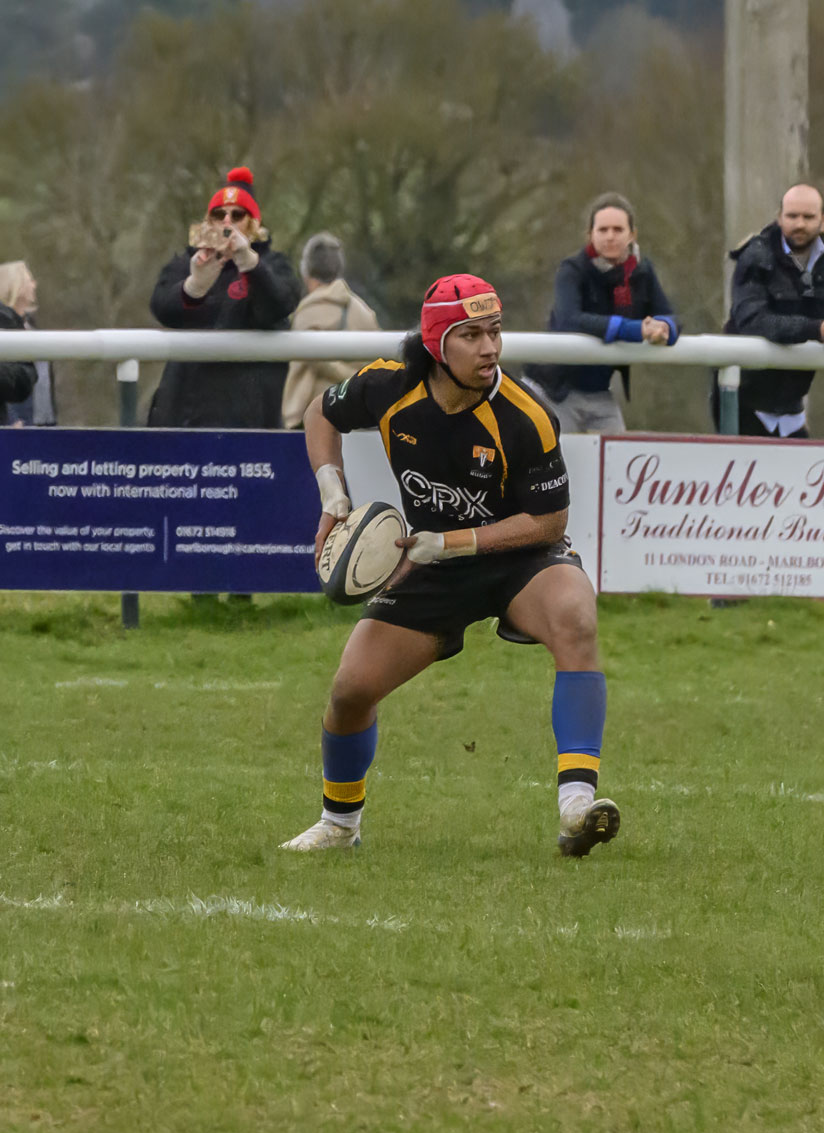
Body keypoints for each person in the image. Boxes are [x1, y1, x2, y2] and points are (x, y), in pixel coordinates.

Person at [283, 274, 621, 859]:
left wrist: (452, 542)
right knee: (350, 690)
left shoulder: (526, 414)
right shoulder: (389, 385)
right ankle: (339, 824)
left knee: (576, 616)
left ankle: (576, 806)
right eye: (471, 335)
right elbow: (320, 412)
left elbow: (549, 523)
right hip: (432, 562)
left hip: (520, 557)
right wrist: (332, 494)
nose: (490, 348)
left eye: (495, 332)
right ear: (437, 343)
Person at [146, 167, 302, 428]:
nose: (227, 223)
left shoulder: (273, 264)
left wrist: (250, 265)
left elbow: (279, 303)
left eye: (237, 215)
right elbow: (161, 307)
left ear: (253, 224)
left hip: (247, 418)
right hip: (183, 413)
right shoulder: (188, 262)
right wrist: (194, 287)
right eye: (219, 215)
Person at [715, 183, 824, 438]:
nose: (799, 224)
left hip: (791, 406)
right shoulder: (755, 256)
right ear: (779, 218)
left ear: (823, 221)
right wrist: (817, 330)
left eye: (808, 217)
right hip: (742, 397)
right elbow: (753, 321)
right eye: (792, 216)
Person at [536, 192, 679, 434]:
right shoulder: (572, 270)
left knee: (619, 455)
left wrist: (663, 329)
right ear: (590, 235)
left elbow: (669, 315)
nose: (610, 236)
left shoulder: (643, 272)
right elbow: (570, 320)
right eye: (602, 230)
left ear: (632, 235)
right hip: (554, 390)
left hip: (600, 393)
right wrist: (634, 330)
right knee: (557, 457)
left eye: (618, 229)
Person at [282, 233, 381, 429]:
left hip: (314, 418)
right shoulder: (364, 311)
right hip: (360, 416)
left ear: (305, 270)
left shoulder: (308, 311)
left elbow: (312, 359)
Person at [0, 262, 55, 426]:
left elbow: (35, 377)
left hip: (41, 420)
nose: (34, 285)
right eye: (29, 280)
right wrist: (13, 419)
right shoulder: (7, 321)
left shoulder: (30, 326)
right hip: (16, 422)